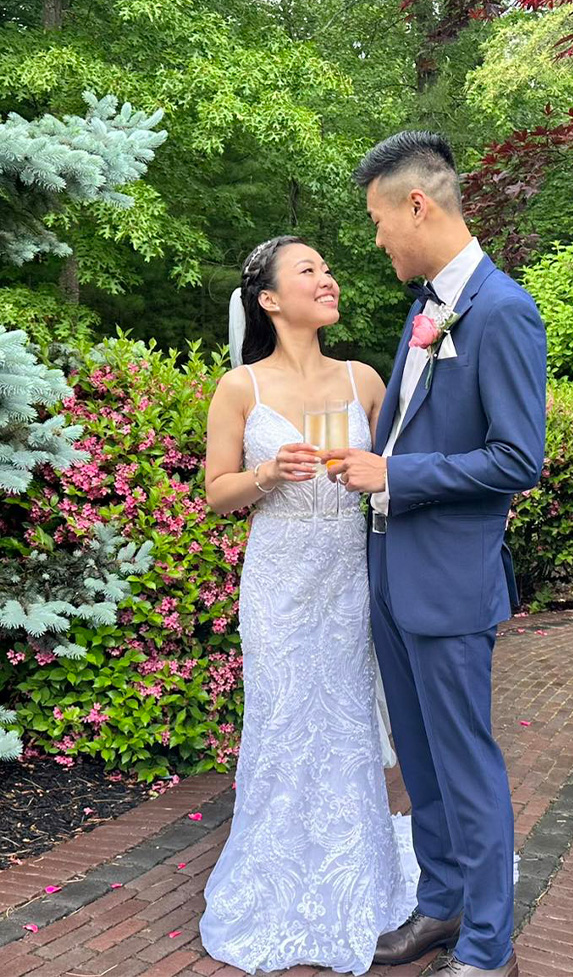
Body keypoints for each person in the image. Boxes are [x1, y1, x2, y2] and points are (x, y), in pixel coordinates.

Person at [323, 131, 547, 977]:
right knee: (418, 760)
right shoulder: (424, 310)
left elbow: (517, 459)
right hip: (389, 572)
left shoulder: (502, 310)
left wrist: (396, 473)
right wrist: (373, 473)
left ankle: (491, 946)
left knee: (464, 761)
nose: (377, 239)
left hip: (450, 582)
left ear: (417, 204)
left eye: (380, 219)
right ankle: (442, 907)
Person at [199, 235, 414, 975]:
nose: (328, 278)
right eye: (309, 270)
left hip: (349, 572)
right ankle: (274, 881)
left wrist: (372, 477)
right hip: (280, 579)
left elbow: (399, 469)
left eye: (329, 266)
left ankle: (363, 879)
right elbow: (216, 494)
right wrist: (265, 474)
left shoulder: (363, 381)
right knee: (285, 721)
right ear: (269, 299)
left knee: (349, 719)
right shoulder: (241, 389)